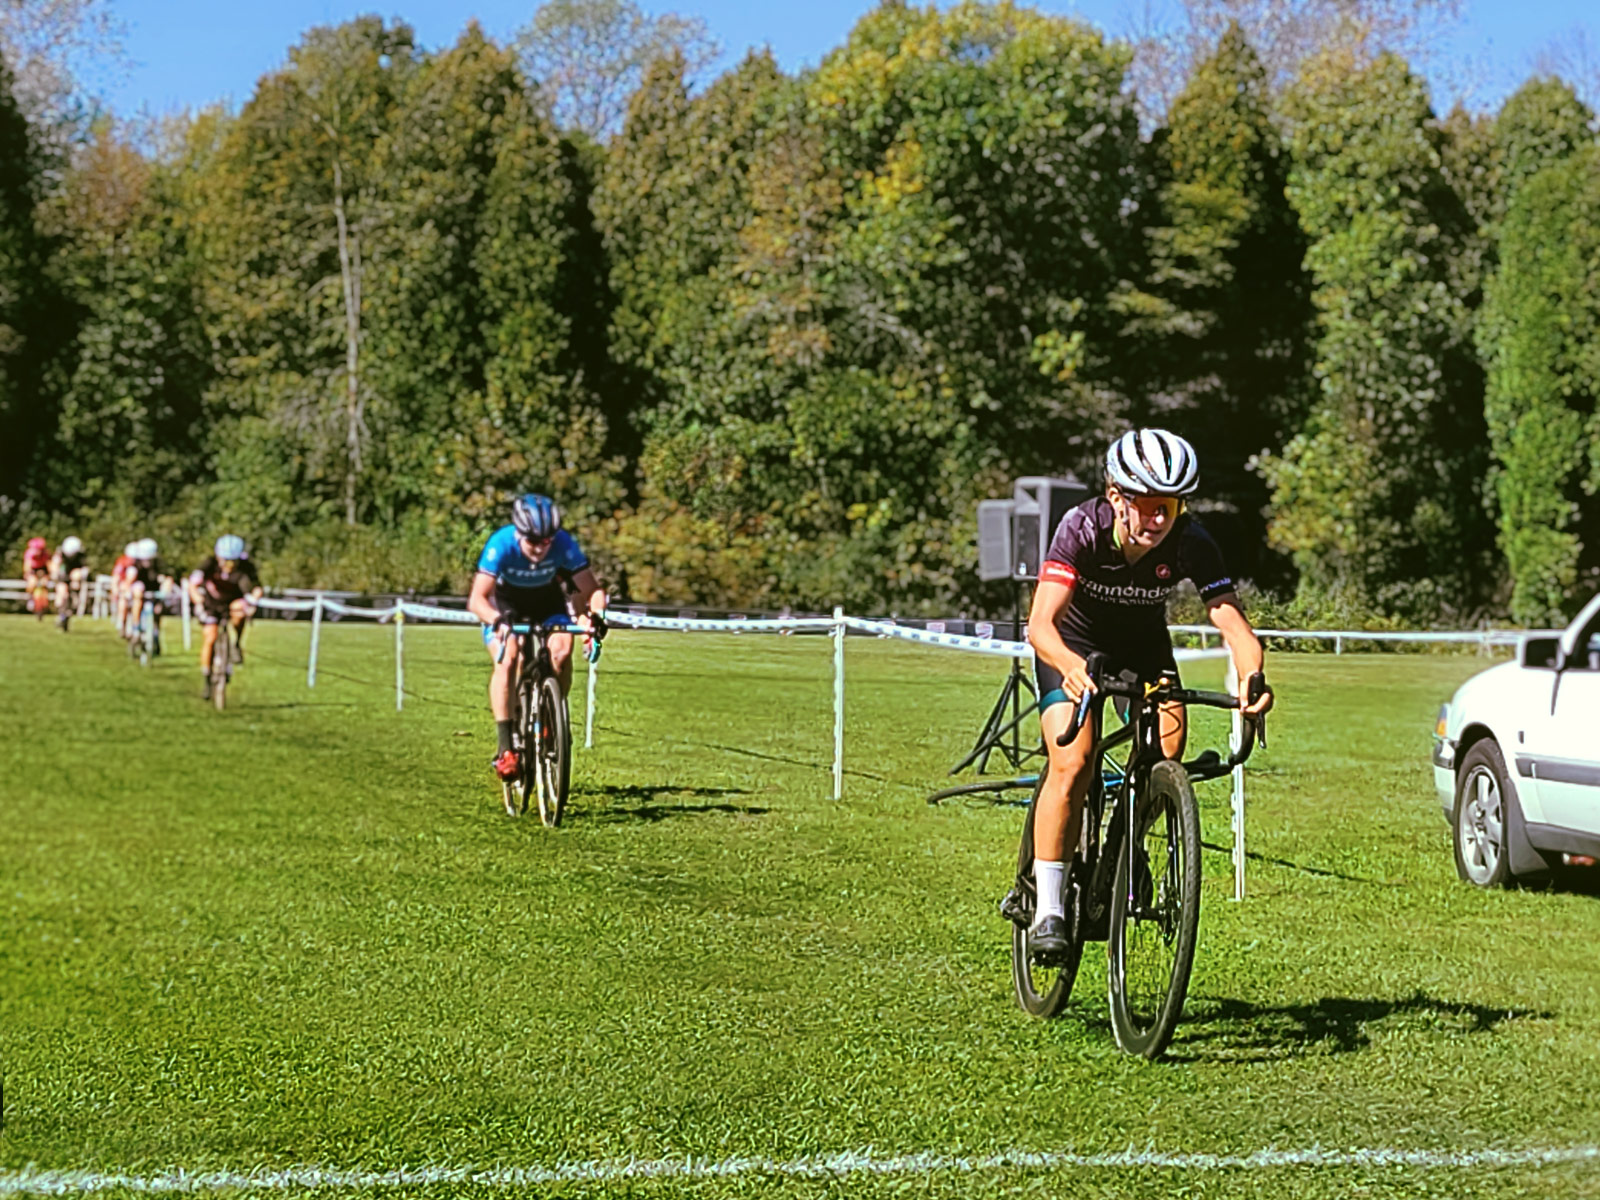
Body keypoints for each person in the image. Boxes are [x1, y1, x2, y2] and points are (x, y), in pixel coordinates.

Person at [1018, 428, 1274, 961]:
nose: (1162, 520)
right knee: (1074, 760)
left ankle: (1127, 846)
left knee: (1170, 750)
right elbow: (1040, 624)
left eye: (1173, 507)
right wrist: (1067, 665)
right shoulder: (1082, 528)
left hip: (1143, 646)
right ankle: (1048, 907)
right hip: (1074, 645)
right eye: (1152, 506)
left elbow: (1235, 626)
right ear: (1117, 497)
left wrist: (1253, 678)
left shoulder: (1190, 540)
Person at [467, 494, 607, 783]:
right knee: (510, 658)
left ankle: (552, 715)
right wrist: (496, 620)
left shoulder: (563, 544)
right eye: (534, 541)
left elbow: (592, 590)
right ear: (519, 533)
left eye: (548, 541)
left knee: (561, 650)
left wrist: (596, 617)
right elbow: (477, 600)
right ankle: (505, 747)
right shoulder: (500, 544)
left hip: (547, 602)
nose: (542, 549)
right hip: (505, 606)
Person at [187, 535, 263, 699]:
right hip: (211, 604)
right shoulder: (209, 563)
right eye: (225, 560)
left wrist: (254, 602)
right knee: (210, 637)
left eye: (233, 561)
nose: (229, 565)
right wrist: (198, 601)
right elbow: (192, 584)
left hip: (234, 601)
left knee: (239, 611)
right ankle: (207, 676)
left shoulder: (247, 566)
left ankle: (236, 643)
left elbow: (257, 587)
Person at [125, 538, 175, 655]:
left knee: (158, 611)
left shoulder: (159, 563)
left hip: (155, 590)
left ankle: (156, 636)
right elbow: (130, 579)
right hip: (140, 590)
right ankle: (136, 628)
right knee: (138, 597)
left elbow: (168, 578)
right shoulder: (136, 563)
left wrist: (165, 592)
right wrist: (128, 590)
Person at [50, 536, 89, 629]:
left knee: (74, 593)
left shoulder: (81, 555)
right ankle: (61, 615)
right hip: (63, 576)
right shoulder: (60, 553)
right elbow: (54, 565)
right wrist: (55, 573)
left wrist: (79, 576)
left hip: (74, 579)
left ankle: (69, 610)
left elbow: (85, 568)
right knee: (62, 593)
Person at [112, 542, 139, 638]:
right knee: (123, 601)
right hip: (123, 588)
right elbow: (116, 577)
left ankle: (134, 626)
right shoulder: (121, 562)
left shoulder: (140, 563)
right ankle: (122, 623)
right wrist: (115, 590)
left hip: (135, 588)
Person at [22, 537, 51, 614]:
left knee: (44, 583)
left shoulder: (45, 554)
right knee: (32, 583)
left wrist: (48, 575)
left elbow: (49, 567)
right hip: (32, 571)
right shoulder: (29, 553)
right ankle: (30, 599)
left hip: (43, 570)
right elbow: (26, 567)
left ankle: (44, 604)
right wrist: (28, 574)